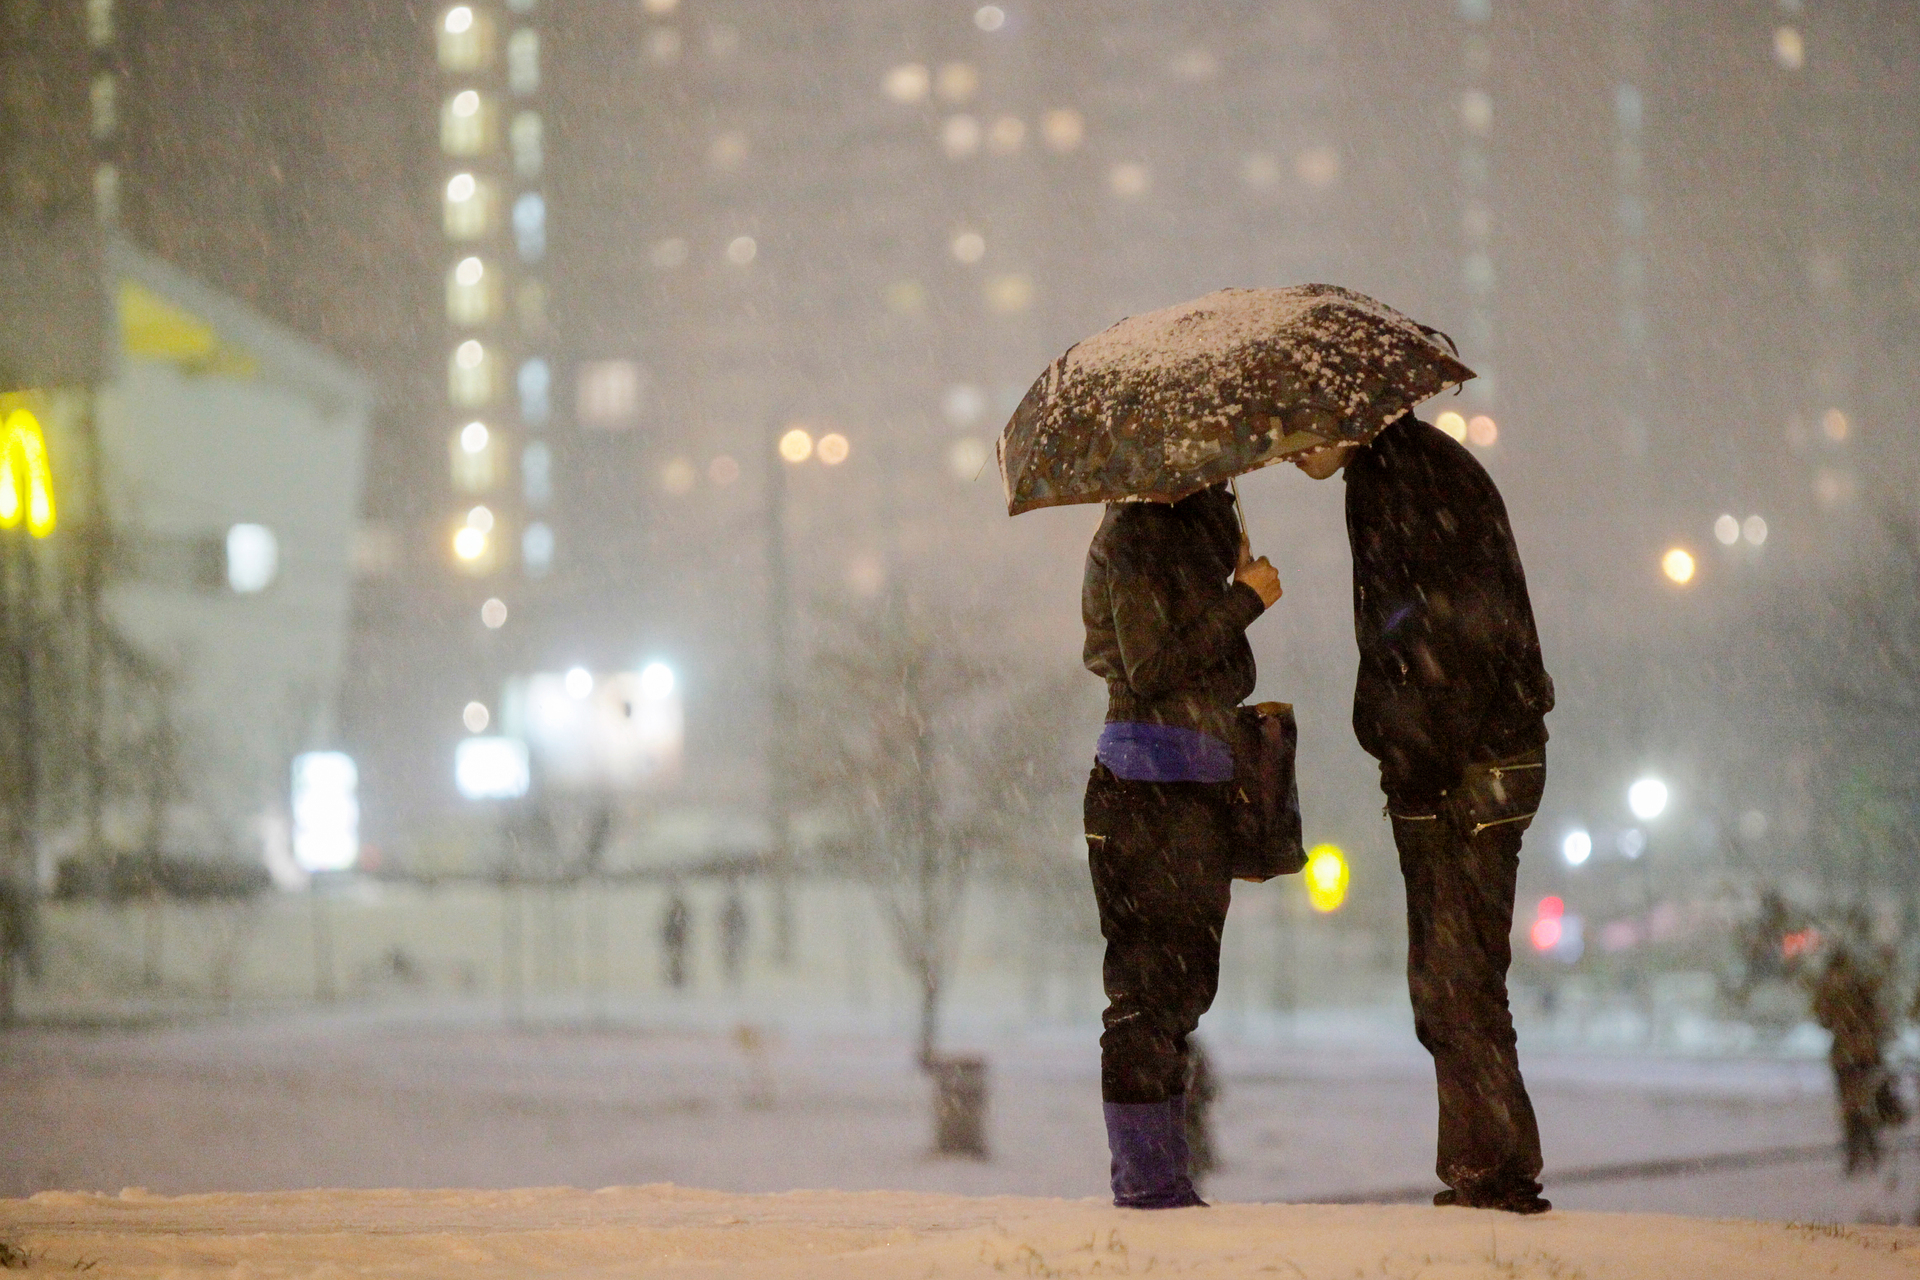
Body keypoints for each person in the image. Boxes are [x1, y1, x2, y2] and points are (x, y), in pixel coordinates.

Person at [1294, 412, 1556, 1214]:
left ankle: (1495, 1175)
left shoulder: (1398, 480)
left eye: (1299, 431)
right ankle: (1484, 1168)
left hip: (1468, 765)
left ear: (1343, 416)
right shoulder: (1405, 469)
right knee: (1454, 980)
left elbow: (1436, 635)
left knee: (1457, 979)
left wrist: (1421, 762)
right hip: (1475, 756)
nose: (1290, 451)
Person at [1081, 482, 1283, 1209]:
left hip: (1188, 784)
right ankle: (1149, 1183)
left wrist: (1227, 578)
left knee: (1180, 993)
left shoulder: (1182, 529)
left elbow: (1210, 668)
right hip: (1148, 785)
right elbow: (1151, 667)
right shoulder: (1140, 532)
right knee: (1146, 997)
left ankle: (1161, 1178)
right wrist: (1243, 601)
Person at [1814, 939, 1901, 1174]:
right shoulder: (1862, 984)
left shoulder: (1831, 986)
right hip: (1865, 1052)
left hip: (1845, 1054)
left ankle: (1857, 1153)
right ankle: (1869, 1151)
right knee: (1864, 1102)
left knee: (1851, 1104)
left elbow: (1823, 1019)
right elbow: (1879, 1017)